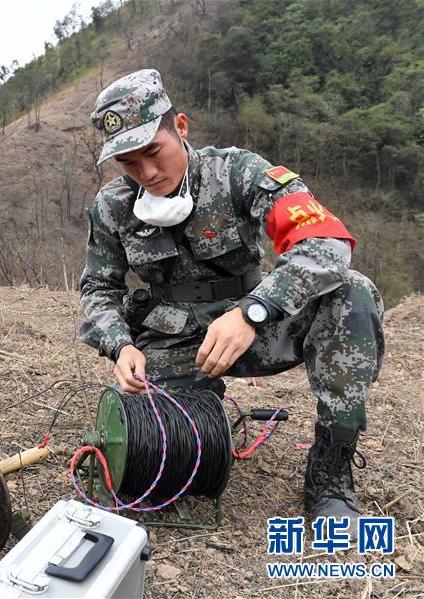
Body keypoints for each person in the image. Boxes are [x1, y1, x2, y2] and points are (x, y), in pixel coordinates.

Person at [78, 68, 385, 525]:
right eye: (128, 163)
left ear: (180, 127)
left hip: (261, 325)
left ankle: (331, 470)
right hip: (176, 340)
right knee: (153, 448)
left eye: (153, 152)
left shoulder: (238, 172)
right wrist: (120, 345)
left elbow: (325, 242)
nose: (147, 173)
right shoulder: (113, 206)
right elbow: (98, 289)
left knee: (352, 294)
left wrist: (254, 312)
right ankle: (200, 420)